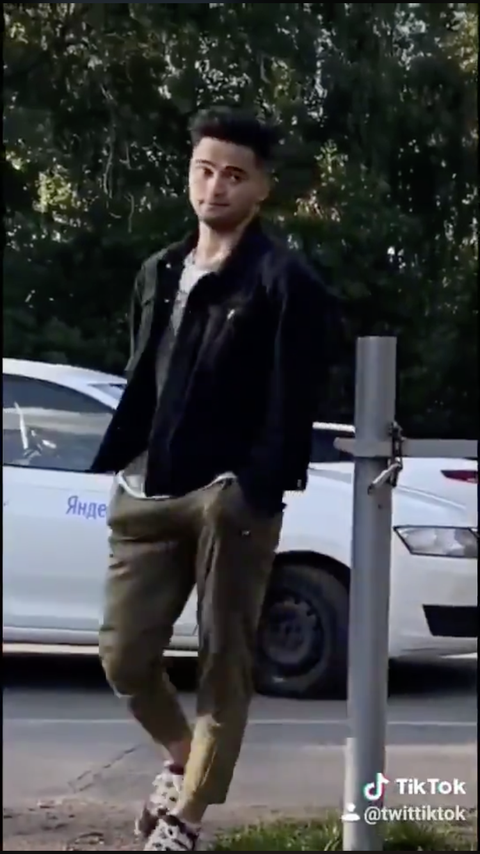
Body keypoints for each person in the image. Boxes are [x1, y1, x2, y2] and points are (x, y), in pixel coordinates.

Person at [91, 106, 336, 851]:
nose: (215, 186)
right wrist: (126, 463)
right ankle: (180, 759)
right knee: (124, 656)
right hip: (148, 488)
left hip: (227, 498)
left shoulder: (285, 281)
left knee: (224, 662)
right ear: (189, 174)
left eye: (234, 174)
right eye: (204, 170)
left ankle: (187, 819)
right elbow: (145, 372)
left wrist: (254, 488)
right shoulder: (159, 270)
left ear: (261, 188)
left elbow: (293, 402)